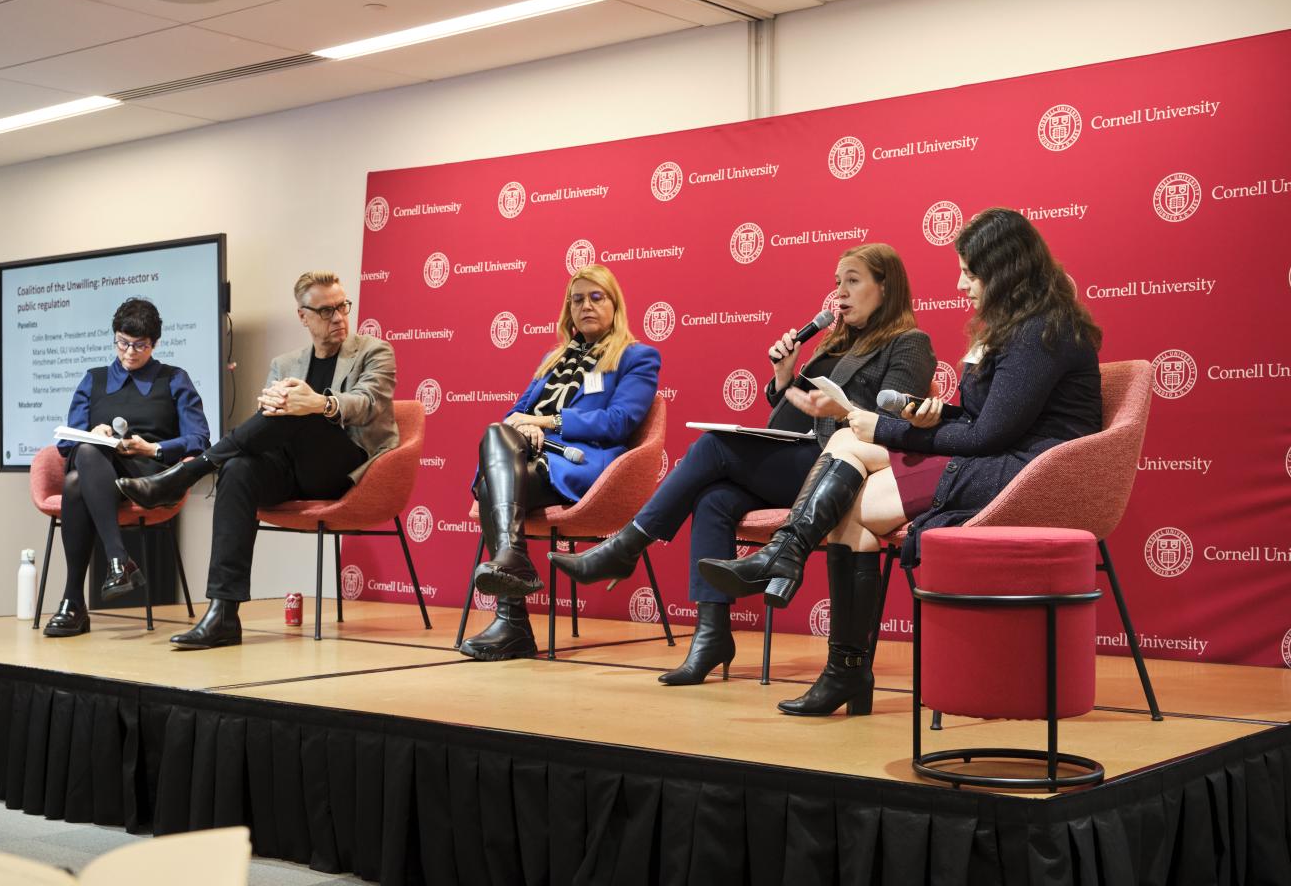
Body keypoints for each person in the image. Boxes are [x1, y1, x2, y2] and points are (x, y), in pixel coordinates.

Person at [701, 208, 1103, 715]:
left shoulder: (1042, 331)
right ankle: (791, 567)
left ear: (1006, 271)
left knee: (853, 504)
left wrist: (890, 428)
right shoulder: (1015, 326)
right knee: (847, 444)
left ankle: (838, 659)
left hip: (1029, 471)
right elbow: (985, 418)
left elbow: (991, 435)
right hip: (1002, 454)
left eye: (970, 273)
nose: (960, 285)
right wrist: (931, 415)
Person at [550, 244, 936, 689]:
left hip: (839, 470)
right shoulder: (835, 340)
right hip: (796, 455)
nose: (840, 294)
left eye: (852, 281)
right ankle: (711, 637)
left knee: (714, 447)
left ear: (885, 288)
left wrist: (842, 407)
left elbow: (889, 425)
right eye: (836, 283)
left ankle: (626, 547)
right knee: (714, 499)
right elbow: (798, 406)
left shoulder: (909, 343)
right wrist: (785, 377)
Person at [118, 271, 397, 650]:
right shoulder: (286, 363)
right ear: (303, 316)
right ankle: (223, 613)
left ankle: (188, 472)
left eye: (343, 307)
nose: (339, 318)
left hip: (341, 466)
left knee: (300, 411)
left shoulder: (373, 351)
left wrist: (318, 403)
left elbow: (369, 403)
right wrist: (280, 404)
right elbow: (266, 421)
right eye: (327, 310)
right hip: (288, 466)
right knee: (238, 468)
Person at [460, 264, 661, 662]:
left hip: (581, 461)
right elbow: (515, 414)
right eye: (577, 299)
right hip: (529, 456)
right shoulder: (553, 358)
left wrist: (547, 423)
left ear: (615, 304)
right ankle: (513, 577)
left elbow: (620, 422)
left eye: (596, 297)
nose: (585, 305)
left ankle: (511, 621)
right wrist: (522, 428)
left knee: (491, 489)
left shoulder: (637, 356)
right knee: (496, 434)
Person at [43, 298, 210, 637]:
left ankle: (74, 601)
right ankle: (118, 560)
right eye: (123, 342)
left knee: (75, 482)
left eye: (140, 345)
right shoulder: (94, 380)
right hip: (100, 469)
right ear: (114, 337)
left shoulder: (174, 379)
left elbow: (200, 439)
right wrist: (92, 433)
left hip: (147, 475)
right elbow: (65, 444)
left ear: (155, 343)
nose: (130, 352)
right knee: (86, 457)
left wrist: (155, 448)